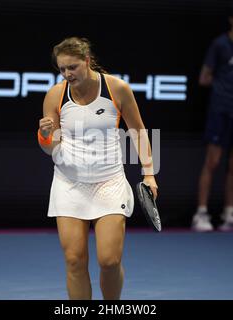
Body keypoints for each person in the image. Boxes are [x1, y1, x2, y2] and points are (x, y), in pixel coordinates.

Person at [38, 37, 158, 300]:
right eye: (62, 69)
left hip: (109, 183)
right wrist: (45, 136)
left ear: (87, 61)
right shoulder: (55, 96)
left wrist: (149, 173)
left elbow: (138, 132)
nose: (68, 74)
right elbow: (51, 149)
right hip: (69, 184)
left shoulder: (117, 88)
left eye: (73, 67)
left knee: (109, 260)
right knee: (74, 261)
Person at [191, 0, 233, 232]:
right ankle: (201, 214)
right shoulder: (219, 45)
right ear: (232, 18)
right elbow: (204, 78)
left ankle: (229, 214)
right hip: (220, 110)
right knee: (213, 161)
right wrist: (224, 87)